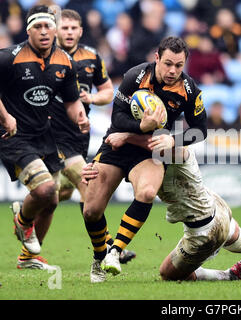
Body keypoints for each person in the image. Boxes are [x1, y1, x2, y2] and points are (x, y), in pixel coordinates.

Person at [82, 138, 241, 282]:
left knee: (167, 274)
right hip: (215, 206)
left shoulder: (171, 151)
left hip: (202, 231)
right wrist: (95, 163)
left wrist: (126, 135)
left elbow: (155, 150)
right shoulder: (163, 154)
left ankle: (229, 276)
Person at [82, 36, 207, 283]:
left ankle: (114, 252)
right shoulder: (135, 77)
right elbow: (116, 117)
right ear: (157, 58)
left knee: (148, 192)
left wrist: (173, 141)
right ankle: (100, 256)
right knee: (91, 211)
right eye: (168, 63)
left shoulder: (189, 89)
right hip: (117, 144)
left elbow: (201, 129)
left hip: (150, 150)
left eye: (179, 65)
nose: (173, 71)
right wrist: (142, 125)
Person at [0, 5, 90, 270]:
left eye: (47, 26)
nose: (43, 32)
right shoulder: (9, 58)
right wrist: (5, 116)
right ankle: (22, 221)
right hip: (13, 135)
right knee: (45, 189)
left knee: (51, 200)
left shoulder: (65, 61)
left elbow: (72, 103)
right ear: (28, 30)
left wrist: (81, 117)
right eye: (37, 27)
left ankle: (28, 258)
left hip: (44, 134)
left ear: (55, 29)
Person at [45, 9, 135, 265]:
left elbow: (108, 91)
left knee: (55, 193)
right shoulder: (45, 57)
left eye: (74, 28)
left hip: (78, 136)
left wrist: (92, 98)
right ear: (56, 30)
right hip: (52, 134)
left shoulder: (92, 57)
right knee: (88, 184)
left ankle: (25, 218)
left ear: (81, 31)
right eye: (64, 28)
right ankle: (108, 248)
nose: (69, 32)